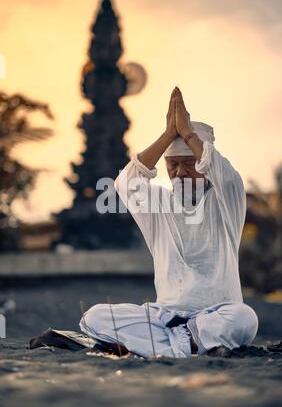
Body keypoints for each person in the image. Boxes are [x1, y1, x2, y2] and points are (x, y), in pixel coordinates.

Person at [79, 86, 258, 359]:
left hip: (218, 313)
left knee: (244, 319)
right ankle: (186, 345)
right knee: (95, 317)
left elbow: (228, 176)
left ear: (204, 163)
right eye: (172, 164)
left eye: (189, 163)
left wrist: (187, 133)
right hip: (164, 317)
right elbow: (125, 183)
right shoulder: (157, 204)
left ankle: (166, 344)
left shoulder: (226, 200)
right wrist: (167, 135)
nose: (180, 172)